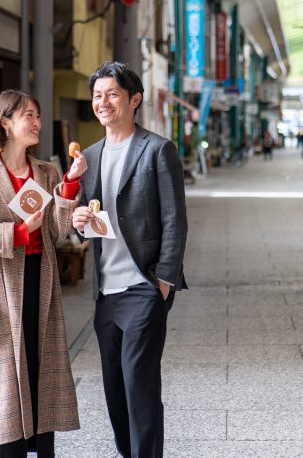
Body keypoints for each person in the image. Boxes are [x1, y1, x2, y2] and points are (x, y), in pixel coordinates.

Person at [0, 90, 85, 457]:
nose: (37, 123)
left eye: (38, 115)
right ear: (5, 122)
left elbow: (58, 232)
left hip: (40, 286)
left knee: (40, 376)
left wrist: (70, 184)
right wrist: (20, 232)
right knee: (2, 384)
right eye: (29, 115)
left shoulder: (46, 172)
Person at [72, 62, 188, 458]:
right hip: (106, 292)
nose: (102, 103)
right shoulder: (89, 156)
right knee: (115, 388)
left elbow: (175, 218)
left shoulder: (158, 150)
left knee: (140, 383)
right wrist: (79, 221)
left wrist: (164, 281)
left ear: (134, 100)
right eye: (97, 96)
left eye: (112, 95)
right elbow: (87, 224)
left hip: (143, 286)